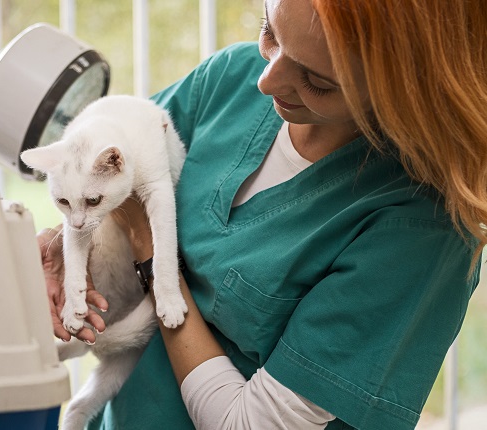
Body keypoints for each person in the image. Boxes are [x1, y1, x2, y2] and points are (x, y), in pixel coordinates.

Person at [37, 0, 487, 428]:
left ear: (409, 86)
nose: (266, 81)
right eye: (269, 31)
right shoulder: (228, 82)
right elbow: (102, 186)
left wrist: (149, 249)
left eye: (317, 82)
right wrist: (60, 252)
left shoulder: (419, 229)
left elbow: (246, 424)